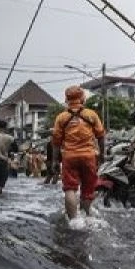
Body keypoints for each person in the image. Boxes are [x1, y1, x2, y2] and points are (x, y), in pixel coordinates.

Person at [51, 85, 106, 222]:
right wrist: (102, 154)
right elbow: (101, 136)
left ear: (67, 99)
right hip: (89, 156)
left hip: (69, 157)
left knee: (70, 189)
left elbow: (56, 142)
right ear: (82, 98)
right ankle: (87, 216)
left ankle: (75, 221)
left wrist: (54, 161)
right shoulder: (91, 114)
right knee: (88, 189)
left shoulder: (61, 117)